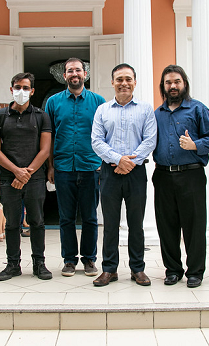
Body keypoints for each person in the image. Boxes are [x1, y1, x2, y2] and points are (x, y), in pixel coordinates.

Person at [153, 65, 209, 289]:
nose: (173, 86)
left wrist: (195, 145)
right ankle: (172, 270)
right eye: (168, 82)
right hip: (162, 176)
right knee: (166, 226)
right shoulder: (157, 114)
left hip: (191, 175)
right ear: (163, 86)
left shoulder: (198, 109)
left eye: (177, 82)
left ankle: (195, 272)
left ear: (184, 84)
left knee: (194, 225)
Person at [91, 63, 157, 287]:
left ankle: (137, 268)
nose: (124, 83)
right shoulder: (103, 110)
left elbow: (150, 140)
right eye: (119, 79)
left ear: (135, 82)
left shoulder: (146, 109)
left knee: (135, 223)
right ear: (112, 83)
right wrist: (118, 160)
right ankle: (109, 269)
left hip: (136, 173)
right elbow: (96, 141)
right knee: (110, 223)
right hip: (109, 173)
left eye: (128, 79)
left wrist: (130, 162)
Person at [45, 58, 105, 277]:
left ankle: (89, 259)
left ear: (85, 73)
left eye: (78, 70)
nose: (74, 74)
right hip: (63, 168)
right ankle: (69, 260)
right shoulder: (53, 102)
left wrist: (102, 165)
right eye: (70, 71)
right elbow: (49, 137)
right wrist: (50, 166)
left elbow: (104, 135)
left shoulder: (99, 101)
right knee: (66, 217)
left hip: (91, 167)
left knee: (89, 217)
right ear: (64, 76)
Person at [0, 72, 53, 281]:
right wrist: (16, 171)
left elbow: (44, 150)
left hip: (34, 178)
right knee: (11, 224)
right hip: (9, 178)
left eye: (26, 88)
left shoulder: (41, 116)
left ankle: (39, 263)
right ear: (11, 89)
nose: (21, 91)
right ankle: (12, 264)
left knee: (37, 221)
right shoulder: (0, 116)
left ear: (32, 91)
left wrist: (26, 173)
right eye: (17, 87)